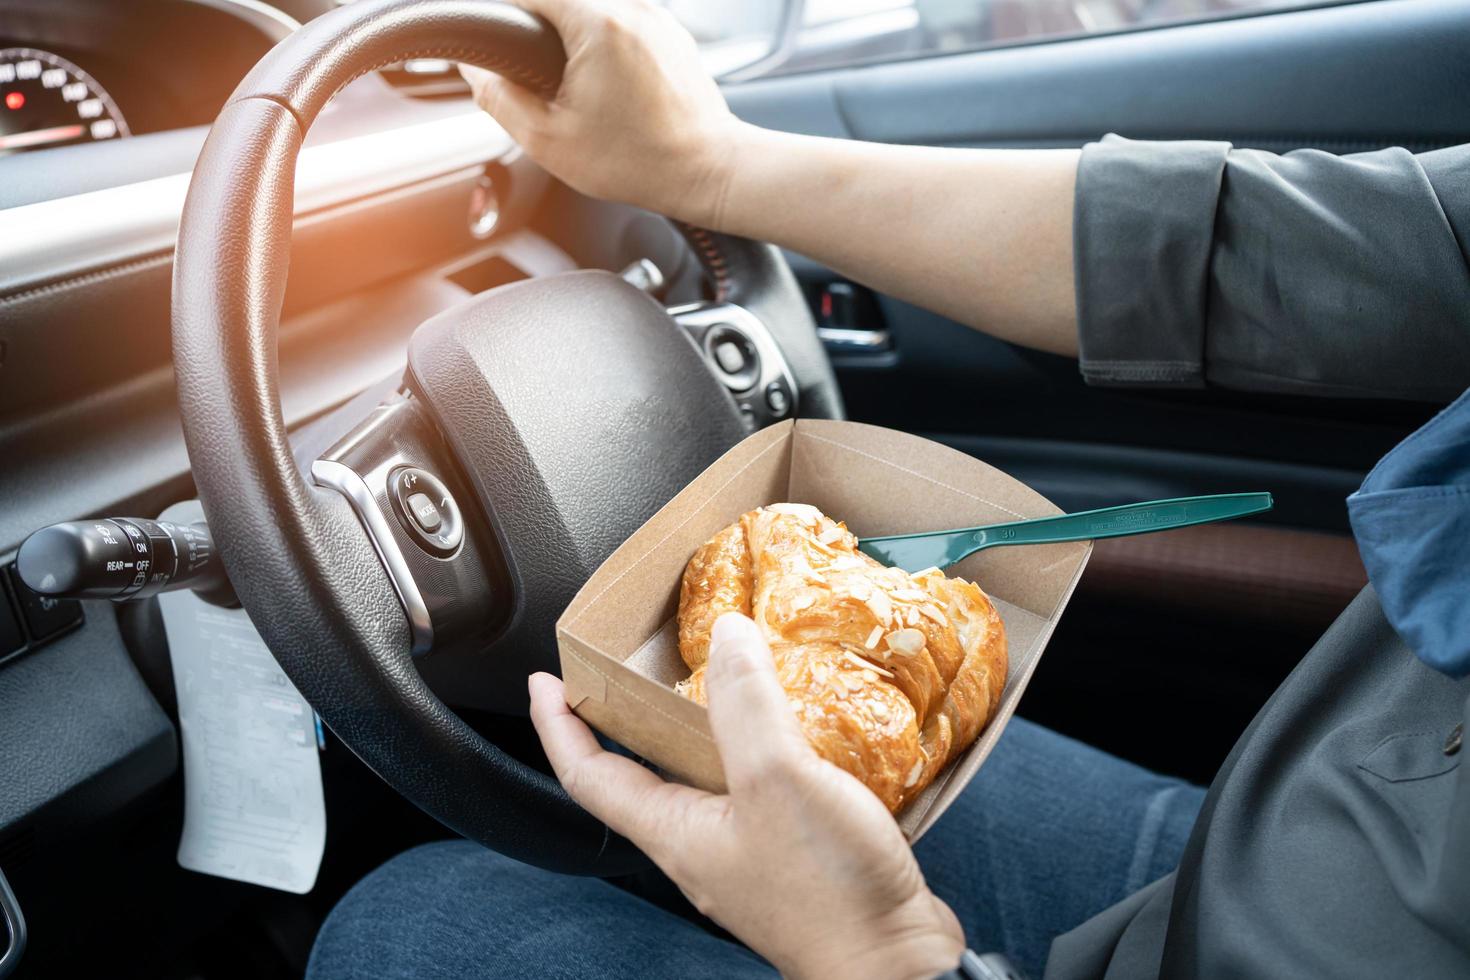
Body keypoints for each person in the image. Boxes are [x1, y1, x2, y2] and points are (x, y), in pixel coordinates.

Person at [307, 1, 1470, 977]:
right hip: (1281, 846)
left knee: (409, 919)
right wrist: (707, 164)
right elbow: (1292, 258)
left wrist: (887, 948)